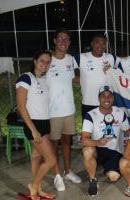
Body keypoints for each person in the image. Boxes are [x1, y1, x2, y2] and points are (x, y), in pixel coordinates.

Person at [16, 50, 56, 200]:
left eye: (48, 62)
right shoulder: (26, 78)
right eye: (42, 61)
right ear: (34, 61)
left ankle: (37, 189)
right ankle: (33, 185)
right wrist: (33, 130)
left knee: (36, 158)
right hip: (33, 125)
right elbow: (21, 106)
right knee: (51, 160)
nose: (45, 64)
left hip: (45, 123)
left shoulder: (45, 80)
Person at [46, 28, 82, 192]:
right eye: (60, 38)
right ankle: (57, 175)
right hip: (52, 111)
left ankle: (68, 172)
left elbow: (75, 78)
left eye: (66, 39)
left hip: (69, 109)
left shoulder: (70, 59)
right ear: (54, 40)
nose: (63, 41)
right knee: (54, 144)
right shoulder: (47, 58)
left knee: (67, 142)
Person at [81, 86, 130, 196]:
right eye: (103, 96)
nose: (106, 98)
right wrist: (98, 142)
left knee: (114, 177)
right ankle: (93, 180)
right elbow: (84, 140)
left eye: (109, 95)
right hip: (97, 148)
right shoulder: (90, 114)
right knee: (87, 151)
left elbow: (127, 131)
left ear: (113, 98)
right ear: (98, 98)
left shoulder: (120, 113)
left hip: (113, 151)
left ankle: (106, 168)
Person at [76, 34, 116, 119]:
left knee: (106, 130)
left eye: (103, 43)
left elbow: (126, 61)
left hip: (106, 103)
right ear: (92, 44)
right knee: (88, 130)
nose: (100, 46)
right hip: (88, 103)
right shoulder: (81, 57)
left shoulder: (111, 58)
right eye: (97, 43)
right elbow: (65, 60)